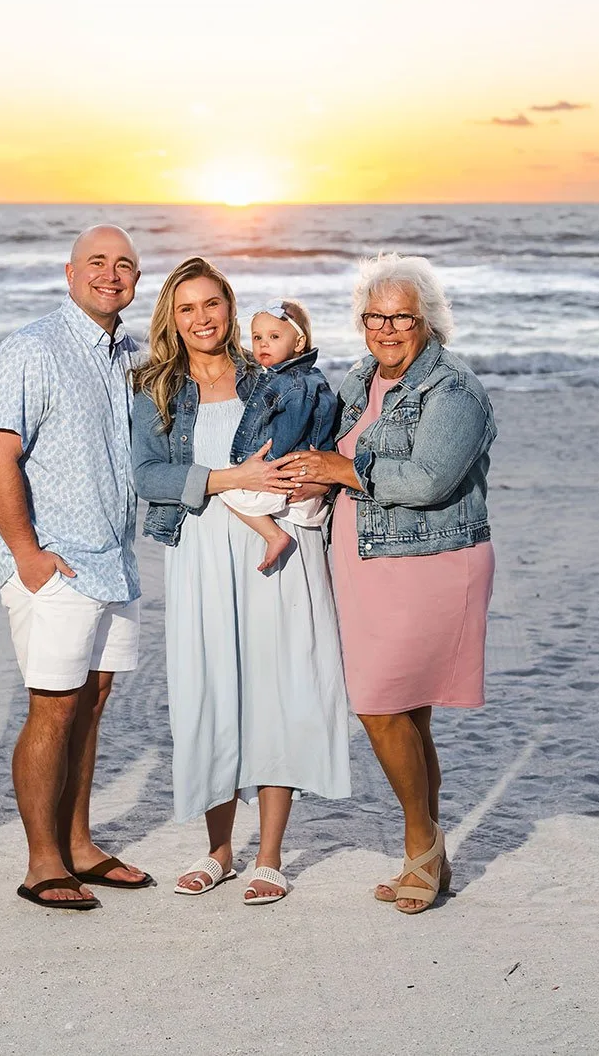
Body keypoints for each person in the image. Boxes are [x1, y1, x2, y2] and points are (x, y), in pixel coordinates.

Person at [131, 258, 351, 904]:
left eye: (212, 305)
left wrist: (309, 482)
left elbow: (319, 435)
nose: (202, 319)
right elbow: (148, 477)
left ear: (230, 308)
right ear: (172, 317)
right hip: (199, 550)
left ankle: (271, 856)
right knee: (212, 691)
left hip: (274, 552)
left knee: (275, 689)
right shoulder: (156, 387)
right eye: (187, 308)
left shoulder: (268, 375)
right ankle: (219, 851)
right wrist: (229, 480)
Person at [287, 252, 497, 914]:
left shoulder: (455, 390)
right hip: (365, 564)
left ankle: (423, 846)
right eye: (374, 316)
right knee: (403, 710)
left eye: (400, 316)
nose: (385, 328)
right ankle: (427, 855)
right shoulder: (360, 379)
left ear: (427, 320)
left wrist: (345, 472)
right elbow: (325, 439)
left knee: (378, 705)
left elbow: (431, 479)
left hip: (427, 564)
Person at [0, 225, 153, 910]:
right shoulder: (33, 348)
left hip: (116, 563)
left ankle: (79, 845)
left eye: (126, 266)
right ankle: (42, 862)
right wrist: (26, 554)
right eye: (98, 263)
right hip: (56, 565)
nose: (112, 275)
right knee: (51, 709)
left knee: (93, 702)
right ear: (71, 272)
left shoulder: (131, 355)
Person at [218, 299, 336, 570]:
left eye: (274, 336)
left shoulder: (292, 385)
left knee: (228, 483)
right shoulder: (308, 377)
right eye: (257, 337)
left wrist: (262, 464)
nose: (263, 344)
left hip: (287, 473)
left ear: (298, 343)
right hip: (306, 476)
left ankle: (274, 535)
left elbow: (287, 433)